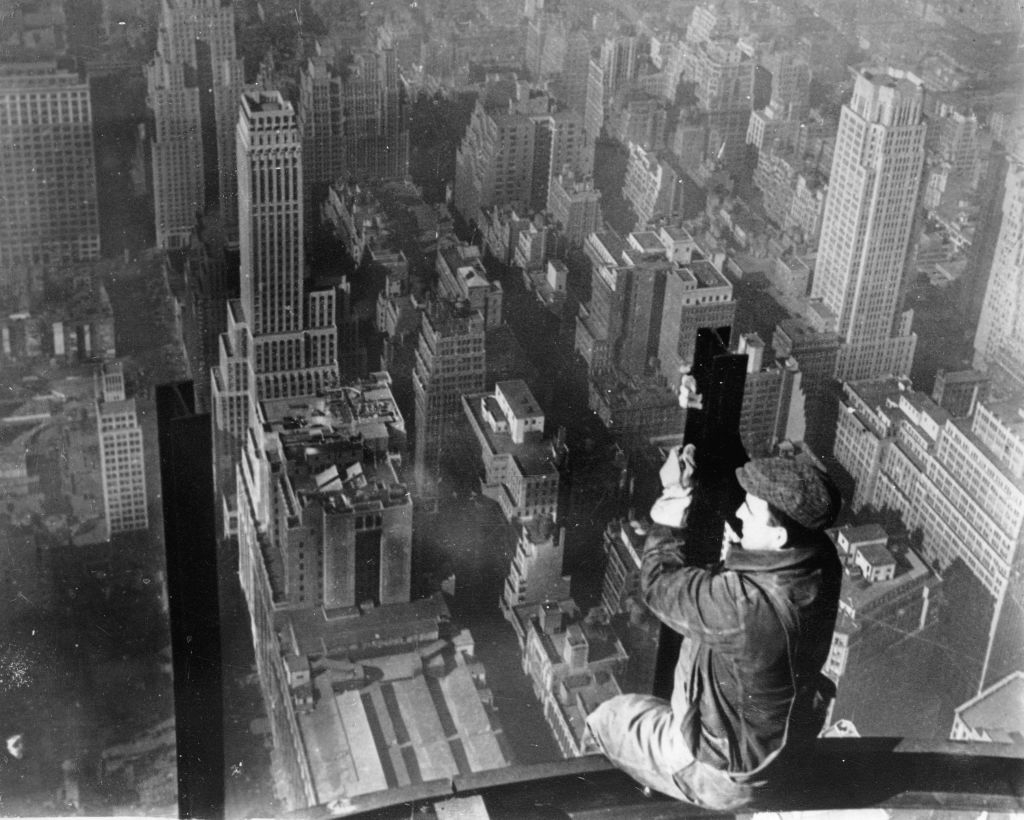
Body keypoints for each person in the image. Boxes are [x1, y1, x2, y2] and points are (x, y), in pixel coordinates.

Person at [585, 447, 843, 810]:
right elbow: (759, 531)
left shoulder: (749, 610)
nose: (739, 513)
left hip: (721, 773)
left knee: (606, 719)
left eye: (749, 509)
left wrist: (669, 514)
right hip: (774, 748)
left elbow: (659, 586)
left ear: (779, 538)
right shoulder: (820, 561)